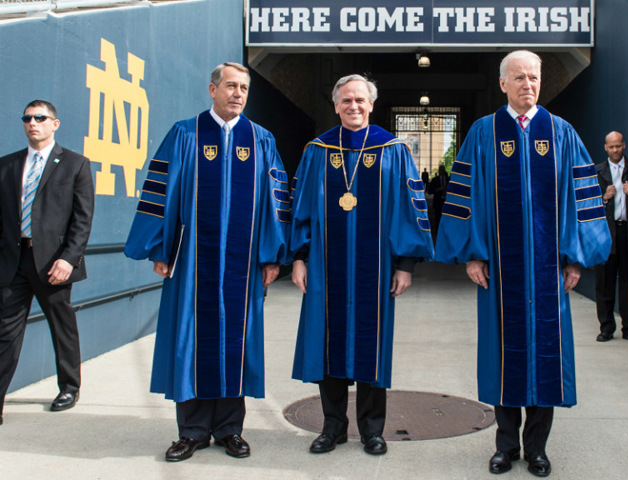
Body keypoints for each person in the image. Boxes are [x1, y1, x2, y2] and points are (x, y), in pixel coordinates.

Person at [435, 51, 610, 477]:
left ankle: (538, 449)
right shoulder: (482, 133)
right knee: (502, 354)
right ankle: (504, 446)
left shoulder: (562, 133)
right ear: (502, 84)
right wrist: (473, 252)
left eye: (533, 77)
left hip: (548, 272)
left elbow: (580, 200)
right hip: (500, 270)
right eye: (519, 78)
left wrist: (574, 258)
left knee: (546, 355)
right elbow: (465, 197)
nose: (527, 84)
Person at [124, 63, 289, 462]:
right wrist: (161, 250)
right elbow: (160, 193)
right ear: (212, 89)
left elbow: (276, 205)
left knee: (237, 340)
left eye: (244, 88)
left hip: (244, 264)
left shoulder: (261, 140)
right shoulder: (186, 134)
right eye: (231, 86)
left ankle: (230, 429)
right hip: (194, 262)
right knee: (191, 341)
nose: (238, 93)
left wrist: (273, 256)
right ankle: (193, 431)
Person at [289, 74, 434, 456]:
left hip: (377, 268)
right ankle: (332, 427)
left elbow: (408, 210)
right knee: (327, 342)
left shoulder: (393, 150)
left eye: (360, 100)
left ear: (372, 105)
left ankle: (373, 430)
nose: (354, 106)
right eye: (346, 100)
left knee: (372, 344)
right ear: (336, 106)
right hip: (325, 265)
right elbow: (301, 209)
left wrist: (404, 264)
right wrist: (299, 258)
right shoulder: (317, 151)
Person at [0, 100, 95, 425]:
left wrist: (69, 258)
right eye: (27, 118)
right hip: (13, 261)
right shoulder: (7, 166)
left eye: (40, 118)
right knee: (5, 333)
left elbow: (82, 220)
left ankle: (69, 386)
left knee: (61, 325)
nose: (32, 123)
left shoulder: (75, 164)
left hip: (53, 263)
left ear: (55, 123)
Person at [595, 132, 628, 343]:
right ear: (605, 147)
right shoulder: (597, 172)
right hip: (606, 233)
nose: (615, 150)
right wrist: (605, 197)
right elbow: (588, 205)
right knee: (604, 282)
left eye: (618, 146)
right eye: (611, 147)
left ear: (624, 145)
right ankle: (606, 327)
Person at [428, 164, 449, 231]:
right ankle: (438, 231)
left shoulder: (449, 179)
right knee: (437, 218)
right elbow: (430, 191)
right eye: (440, 170)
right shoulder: (435, 180)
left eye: (443, 169)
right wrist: (437, 189)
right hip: (438, 202)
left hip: (447, 202)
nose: (441, 171)